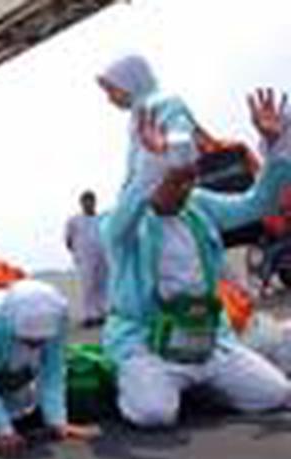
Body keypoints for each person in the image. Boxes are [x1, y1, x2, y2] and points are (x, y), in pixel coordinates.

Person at [102, 90, 291, 428]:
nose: (187, 188)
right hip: (147, 345)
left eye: (191, 177)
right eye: (177, 180)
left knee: (274, 395)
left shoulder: (198, 206)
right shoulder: (123, 223)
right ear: (151, 179)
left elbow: (256, 205)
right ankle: (140, 381)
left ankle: (203, 388)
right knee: (154, 414)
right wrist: (153, 163)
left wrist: (276, 147)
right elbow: (128, 209)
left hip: (207, 340)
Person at [0, 280, 97, 456]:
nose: (34, 347)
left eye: (41, 342)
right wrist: (5, 432)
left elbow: (53, 368)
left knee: (23, 409)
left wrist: (58, 422)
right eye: (28, 341)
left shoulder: (59, 315)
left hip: (5, 365)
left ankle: (9, 413)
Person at [97, 54, 199, 189]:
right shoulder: (139, 117)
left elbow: (182, 147)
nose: (109, 99)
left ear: (129, 82)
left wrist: (172, 182)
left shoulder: (164, 104)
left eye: (112, 90)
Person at [66, 190, 109, 328]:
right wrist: (78, 253)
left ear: (94, 202)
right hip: (85, 257)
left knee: (101, 285)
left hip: (102, 256)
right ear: (81, 203)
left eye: (90, 200)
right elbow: (68, 240)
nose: (88, 204)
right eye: (85, 201)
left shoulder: (102, 218)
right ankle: (88, 316)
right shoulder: (74, 220)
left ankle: (101, 314)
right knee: (87, 286)